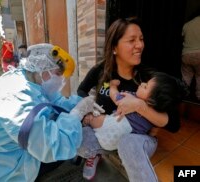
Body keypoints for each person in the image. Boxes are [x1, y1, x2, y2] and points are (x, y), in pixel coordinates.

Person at [0, 43, 104, 182]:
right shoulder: (17, 100)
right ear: (42, 67)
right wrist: (77, 113)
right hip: (3, 169)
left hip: (4, 154)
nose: (61, 81)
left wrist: (82, 103)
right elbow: (52, 146)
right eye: (58, 74)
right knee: (67, 147)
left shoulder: (28, 78)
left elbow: (56, 101)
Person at [77, 17, 181, 181]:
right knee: (80, 138)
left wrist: (140, 106)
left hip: (135, 137)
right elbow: (81, 90)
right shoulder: (101, 70)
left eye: (141, 39)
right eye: (132, 40)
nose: (140, 45)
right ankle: (96, 153)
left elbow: (174, 123)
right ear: (114, 48)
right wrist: (89, 108)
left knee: (128, 144)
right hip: (107, 129)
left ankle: (129, 158)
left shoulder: (148, 78)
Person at [83, 72, 187, 152]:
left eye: (145, 86)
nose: (142, 83)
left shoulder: (134, 92)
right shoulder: (106, 71)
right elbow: (154, 131)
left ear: (151, 100)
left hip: (110, 126)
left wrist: (113, 86)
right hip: (119, 138)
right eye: (130, 42)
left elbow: (114, 96)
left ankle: (89, 120)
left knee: (93, 117)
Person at [181, 9, 200, 101]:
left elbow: (183, 37)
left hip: (186, 54)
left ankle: (182, 96)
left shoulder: (187, 24)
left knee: (186, 77)